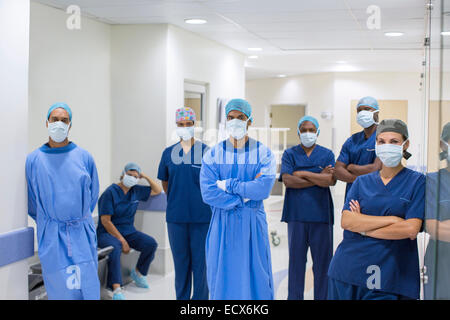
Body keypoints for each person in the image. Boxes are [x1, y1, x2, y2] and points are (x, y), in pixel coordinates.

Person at [328, 119, 425, 300]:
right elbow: (347, 221)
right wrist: (393, 220)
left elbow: (410, 229)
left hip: (389, 274)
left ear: (406, 145)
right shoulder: (361, 182)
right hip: (346, 270)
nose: (387, 146)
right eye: (381, 141)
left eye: (394, 142)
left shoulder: (417, 182)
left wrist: (362, 226)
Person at [200, 99, 277, 300]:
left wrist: (229, 185)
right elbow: (208, 192)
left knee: (256, 275)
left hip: (252, 223)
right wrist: (241, 198)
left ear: (249, 120)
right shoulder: (213, 154)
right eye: (231, 117)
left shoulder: (263, 154)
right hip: (222, 224)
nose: (235, 122)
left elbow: (263, 188)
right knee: (222, 276)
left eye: (240, 117)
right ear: (225, 120)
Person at [26, 103, 100, 300]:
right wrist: (52, 222)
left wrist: (76, 220)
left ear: (70, 125)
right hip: (51, 235)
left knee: (87, 288)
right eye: (55, 119)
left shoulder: (84, 157)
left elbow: (92, 196)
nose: (59, 124)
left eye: (64, 120)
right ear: (47, 123)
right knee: (60, 291)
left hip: (81, 233)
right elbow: (32, 202)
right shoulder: (34, 160)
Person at [157, 107, 211, 300]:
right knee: (181, 266)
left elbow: (212, 184)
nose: (185, 128)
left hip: (202, 218)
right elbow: (165, 183)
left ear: (194, 125)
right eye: (181, 125)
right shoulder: (168, 153)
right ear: (176, 126)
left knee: (201, 266)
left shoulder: (206, 152)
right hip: (176, 219)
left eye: (189, 124)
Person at [279, 115, 336, 300]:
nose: (308, 133)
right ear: (298, 132)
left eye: (312, 130)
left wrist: (301, 173)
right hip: (296, 215)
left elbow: (330, 180)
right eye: (304, 130)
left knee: (323, 264)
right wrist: (318, 176)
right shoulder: (289, 154)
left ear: (318, 132)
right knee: (296, 263)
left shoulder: (327, 154)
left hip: (321, 215)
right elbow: (288, 180)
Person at [97, 162, 162, 300]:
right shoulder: (110, 193)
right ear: (123, 175)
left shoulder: (136, 190)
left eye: (135, 176)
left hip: (129, 231)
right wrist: (122, 240)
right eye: (129, 175)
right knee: (115, 247)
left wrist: (144, 176)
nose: (132, 178)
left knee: (151, 244)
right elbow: (105, 221)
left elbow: (156, 190)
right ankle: (116, 289)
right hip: (107, 233)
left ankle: (138, 273)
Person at [335, 96, 382, 198]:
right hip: (353, 194)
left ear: (376, 112)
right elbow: (338, 171)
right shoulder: (352, 140)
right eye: (359, 110)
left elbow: (375, 169)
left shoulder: (383, 138)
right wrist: (358, 179)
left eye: (366, 109)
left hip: (375, 194)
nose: (362, 113)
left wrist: (351, 167)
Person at [424, 122, 450, 299]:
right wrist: (439, 227)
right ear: (443, 145)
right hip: (441, 263)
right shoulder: (433, 181)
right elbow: (433, 227)